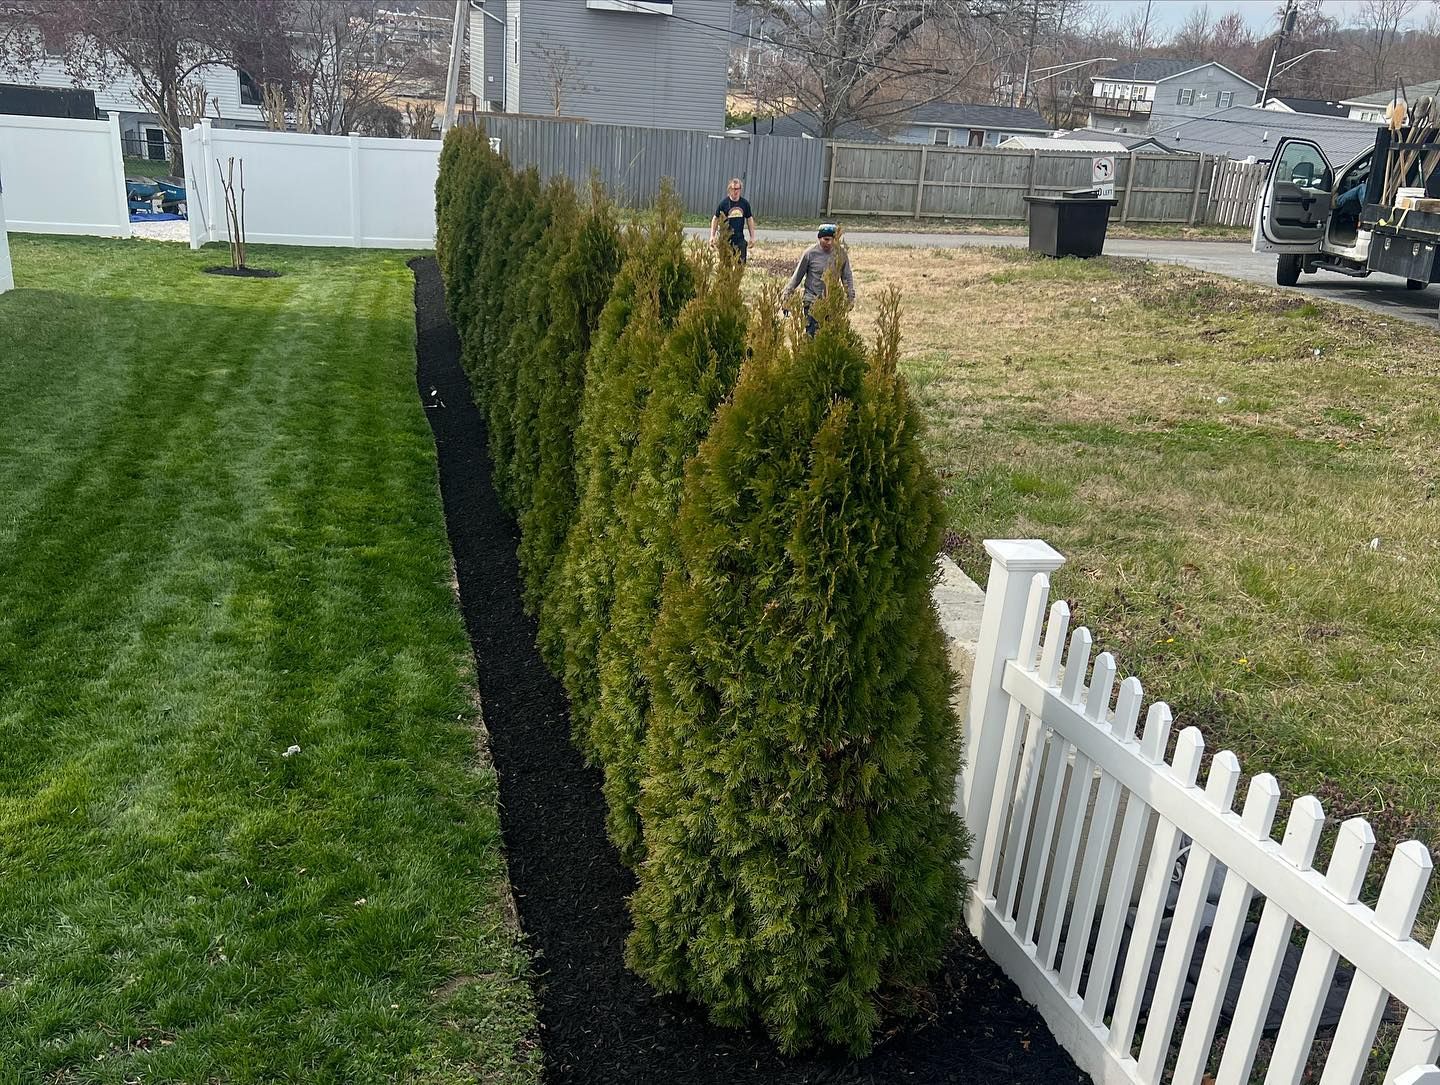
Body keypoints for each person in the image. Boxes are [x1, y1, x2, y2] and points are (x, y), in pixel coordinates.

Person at [782, 224, 856, 337]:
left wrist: (850, 297)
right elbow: (797, 277)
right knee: (812, 335)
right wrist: (787, 295)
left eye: (832, 240)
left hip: (831, 302)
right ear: (819, 238)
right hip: (812, 301)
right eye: (826, 239)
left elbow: (847, 277)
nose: (829, 243)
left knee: (829, 336)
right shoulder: (810, 254)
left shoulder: (840, 254)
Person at [711, 178, 755, 263]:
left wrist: (752, 237)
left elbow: (749, 219)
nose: (735, 191)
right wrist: (712, 235)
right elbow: (715, 218)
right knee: (725, 268)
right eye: (733, 189)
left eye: (737, 189)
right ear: (729, 189)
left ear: (740, 189)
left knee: (740, 267)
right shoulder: (723, 204)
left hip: (739, 239)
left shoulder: (744, 204)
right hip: (726, 240)